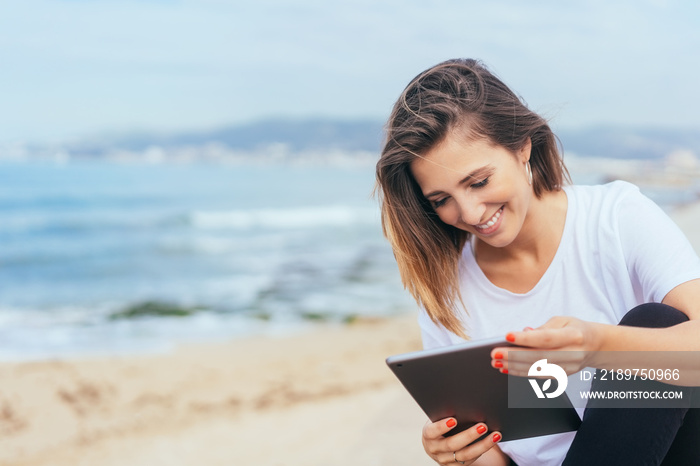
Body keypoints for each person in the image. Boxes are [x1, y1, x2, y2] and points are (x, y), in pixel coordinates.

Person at [374, 58, 700, 466]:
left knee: (655, 323)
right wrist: (464, 453)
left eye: (478, 182)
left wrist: (599, 347)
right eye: (442, 200)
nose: (471, 212)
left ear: (522, 147)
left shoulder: (616, 218)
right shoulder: (448, 290)